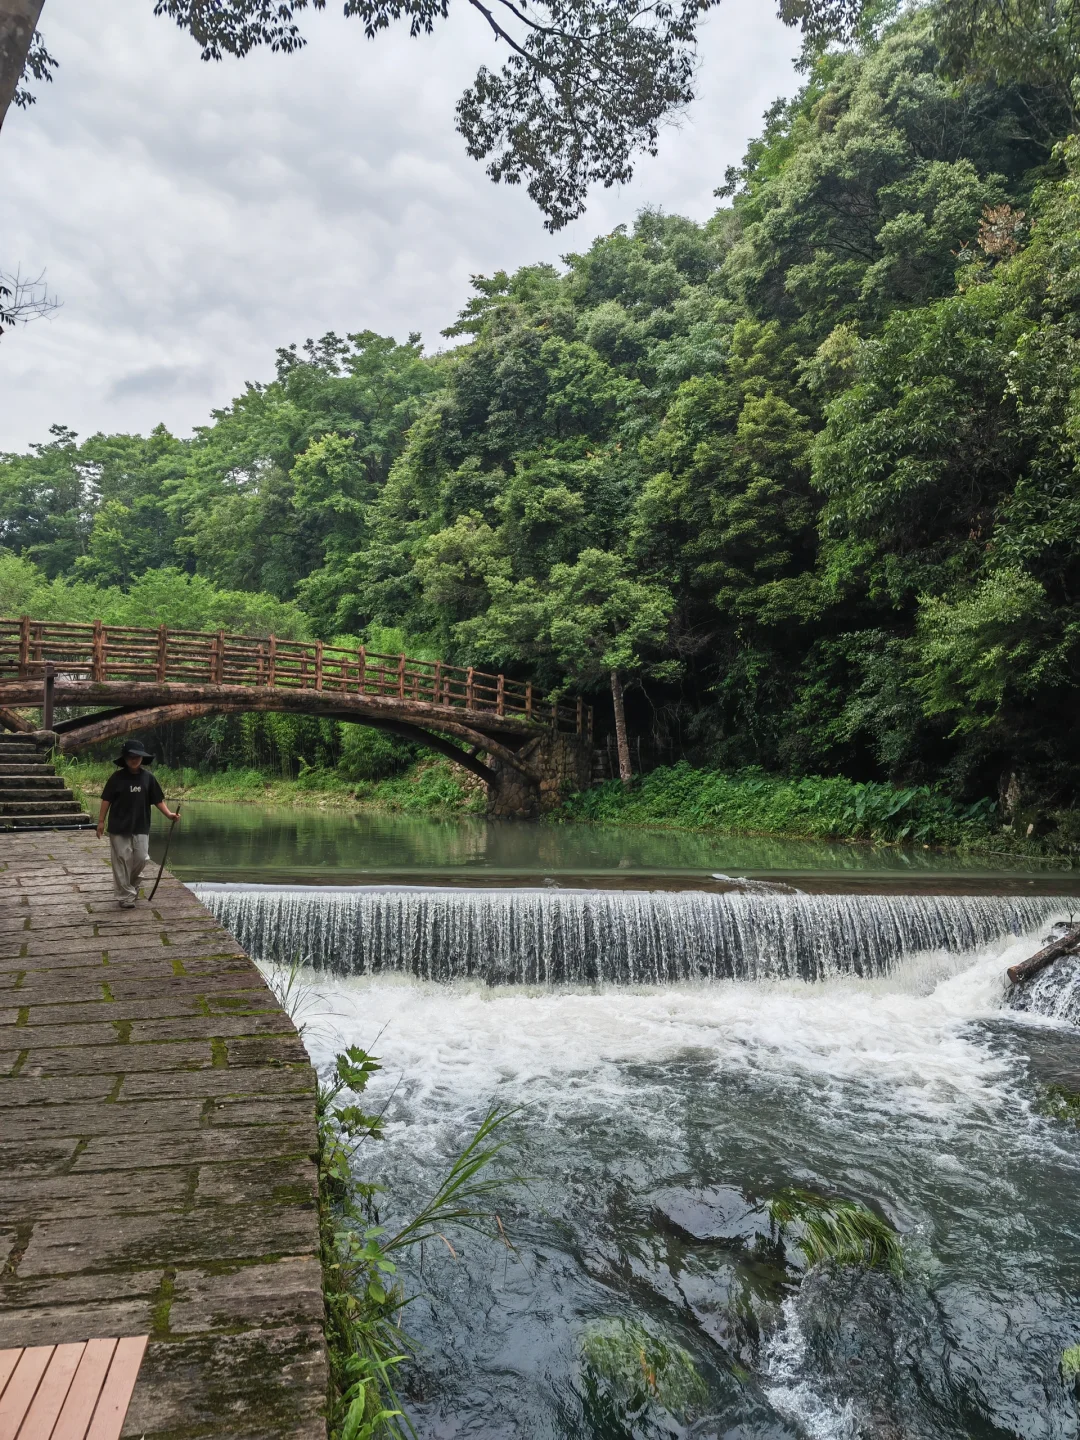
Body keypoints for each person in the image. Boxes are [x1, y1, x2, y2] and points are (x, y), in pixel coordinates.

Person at [97, 740, 180, 908]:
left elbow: (157, 800)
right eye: (130, 756)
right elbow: (106, 800)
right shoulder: (116, 778)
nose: (134, 760)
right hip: (118, 827)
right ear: (125, 759)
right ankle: (126, 896)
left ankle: (131, 886)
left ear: (142, 758)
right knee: (122, 860)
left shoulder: (148, 778)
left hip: (141, 826)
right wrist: (100, 821)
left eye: (137, 757)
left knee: (141, 858)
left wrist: (169, 814)